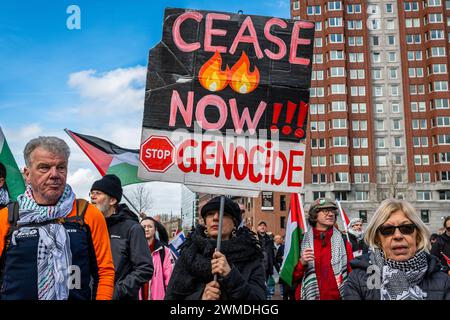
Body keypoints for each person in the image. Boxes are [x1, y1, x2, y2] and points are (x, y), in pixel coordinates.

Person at [0, 136, 115, 300]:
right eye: (44, 168)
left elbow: (105, 272)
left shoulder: (87, 214)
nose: (54, 174)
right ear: (27, 174)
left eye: (61, 167)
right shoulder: (7, 217)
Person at [343, 199, 450, 300]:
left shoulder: (443, 281)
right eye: (387, 230)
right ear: (378, 239)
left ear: (417, 235)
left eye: (406, 228)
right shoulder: (357, 280)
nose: (398, 236)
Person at [165, 196, 265, 300]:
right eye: (210, 214)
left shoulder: (251, 255)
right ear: (205, 222)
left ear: (234, 224)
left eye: (224, 214)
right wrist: (200, 297)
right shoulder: (189, 254)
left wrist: (231, 275)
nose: (216, 218)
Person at [90, 174, 153, 300]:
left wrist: (116, 292)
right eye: (91, 193)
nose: (92, 196)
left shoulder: (132, 228)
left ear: (112, 200)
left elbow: (144, 268)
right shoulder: (90, 227)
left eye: (98, 193)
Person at [292, 198, 354, 300]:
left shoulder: (343, 241)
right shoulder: (301, 241)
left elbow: (352, 274)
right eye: (325, 211)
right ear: (314, 215)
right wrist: (301, 263)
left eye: (333, 211)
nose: (331, 214)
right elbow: (290, 278)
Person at [139, 216, 174, 300]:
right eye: (144, 227)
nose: (146, 229)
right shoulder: (133, 250)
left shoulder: (165, 252)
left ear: (155, 230)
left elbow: (170, 280)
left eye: (150, 226)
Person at [256, 220, 275, 299]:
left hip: (267, 268)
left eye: (264, 225)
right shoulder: (254, 238)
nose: (262, 227)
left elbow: (272, 255)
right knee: (258, 287)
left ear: (266, 228)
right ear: (257, 228)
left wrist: (276, 267)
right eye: (260, 225)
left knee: (266, 286)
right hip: (258, 268)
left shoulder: (270, 240)